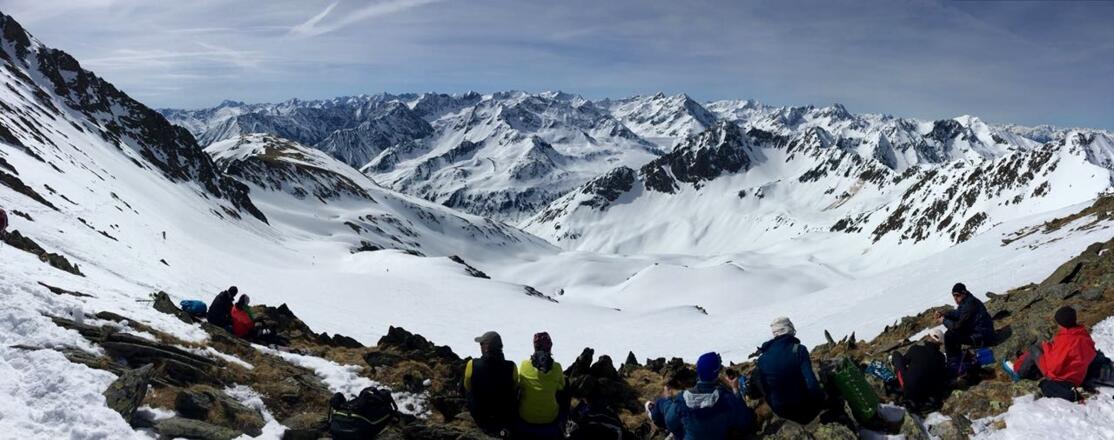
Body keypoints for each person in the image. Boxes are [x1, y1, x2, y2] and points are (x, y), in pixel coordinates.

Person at [649, 352, 755, 439]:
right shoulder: (727, 398)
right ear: (717, 372)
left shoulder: (683, 398)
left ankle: (653, 414)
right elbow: (744, 422)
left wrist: (667, 398)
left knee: (662, 402)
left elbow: (670, 423)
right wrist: (735, 389)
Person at [1009, 306, 1096, 401]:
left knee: (1034, 349)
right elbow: (1089, 354)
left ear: (1061, 323)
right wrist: (1048, 347)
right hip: (1077, 375)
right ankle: (1024, 362)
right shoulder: (1082, 334)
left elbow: (1053, 367)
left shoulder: (1066, 340)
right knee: (1042, 346)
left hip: (1061, 377)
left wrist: (1047, 349)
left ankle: (1018, 373)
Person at [751, 317, 825, 424]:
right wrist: (820, 399)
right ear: (789, 329)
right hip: (804, 408)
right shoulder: (799, 349)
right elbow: (812, 384)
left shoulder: (763, 358)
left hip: (780, 410)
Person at [464, 331, 518, 438]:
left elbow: (467, 386)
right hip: (503, 417)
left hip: (480, 417)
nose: (480, 347)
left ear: (486, 347)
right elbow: (515, 388)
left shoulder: (473, 364)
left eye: (481, 344)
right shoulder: (511, 367)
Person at [514, 332, 567, 439]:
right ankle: (564, 424)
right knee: (565, 388)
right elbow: (561, 387)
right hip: (550, 420)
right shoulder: (557, 368)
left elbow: (518, 384)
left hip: (525, 418)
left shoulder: (524, 365)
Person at [934, 283, 994, 372]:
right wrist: (945, 314)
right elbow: (958, 313)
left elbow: (957, 326)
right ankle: (955, 358)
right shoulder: (967, 300)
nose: (955, 298)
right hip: (978, 331)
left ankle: (953, 363)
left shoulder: (969, 305)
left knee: (950, 335)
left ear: (963, 293)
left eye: (957, 295)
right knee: (952, 334)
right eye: (953, 296)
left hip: (982, 336)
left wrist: (943, 321)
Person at [891, 328, 949, 412]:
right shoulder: (941, 357)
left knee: (896, 355)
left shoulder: (916, 349)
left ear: (929, 337)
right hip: (926, 394)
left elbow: (904, 362)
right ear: (940, 344)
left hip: (908, 389)